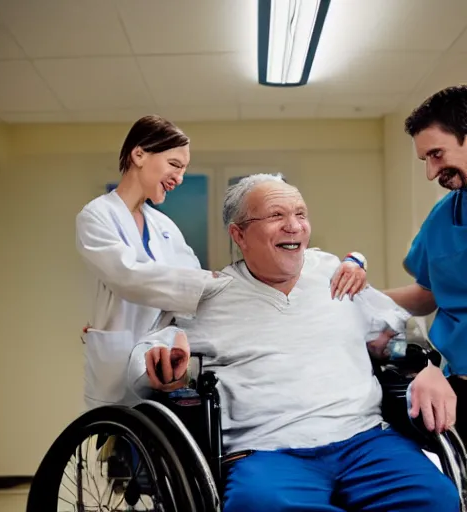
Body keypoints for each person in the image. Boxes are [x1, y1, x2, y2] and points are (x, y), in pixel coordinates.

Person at [130, 174, 459, 512]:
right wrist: (163, 370)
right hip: (268, 452)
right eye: (276, 216)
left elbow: (391, 333)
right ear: (239, 234)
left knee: (434, 498)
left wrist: (427, 368)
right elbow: (145, 361)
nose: (294, 226)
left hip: (365, 441)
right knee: (260, 506)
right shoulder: (210, 296)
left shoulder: (333, 274)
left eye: (300, 214)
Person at [76, 116, 368, 410]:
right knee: (119, 445)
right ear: (139, 154)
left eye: (184, 169)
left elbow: (194, 275)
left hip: (164, 357)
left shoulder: (163, 224)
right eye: (175, 165)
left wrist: (350, 263)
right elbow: (128, 276)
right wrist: (220, 284)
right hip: (119, 359)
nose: (179, 178)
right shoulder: (97, 216)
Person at [383, 85, 467, 445]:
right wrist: (357, 298)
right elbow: (428, 293)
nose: (432, 173)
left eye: (437, 154)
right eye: (425, 160)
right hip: (456, 385)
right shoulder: (443, 216)